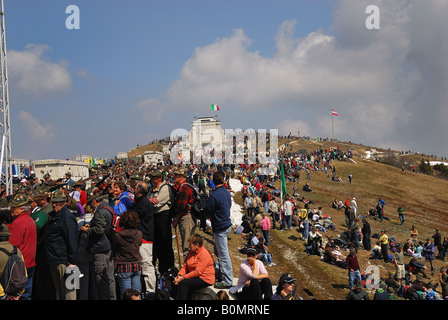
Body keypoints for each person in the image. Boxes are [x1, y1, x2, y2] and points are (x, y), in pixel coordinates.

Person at [44, 189, 79, 300]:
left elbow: (72, 239)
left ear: (63, 202)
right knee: (61, 291)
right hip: (55, 259)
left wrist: (72, 262)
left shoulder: (67, 217)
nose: (54, 204)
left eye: (57, 202)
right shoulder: (56, 215)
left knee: (70, 292)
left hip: (65, 261)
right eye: (53, 202)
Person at [81, 194, 116, 300]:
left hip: (100, 247)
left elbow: (100, 230)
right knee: (110, 277)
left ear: (94, 202)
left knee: (101, 278)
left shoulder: (100, 212)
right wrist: (92, 226)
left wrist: (88, 230)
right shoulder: (108, 208)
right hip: (107, 246)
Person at [203, 171, 233, 290]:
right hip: (226, 224)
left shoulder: (214, 195)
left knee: (223, 254)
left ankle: (227, 280)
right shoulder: (226, 192)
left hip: (220, 227)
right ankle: (221, 273)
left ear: (213, 181)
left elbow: (208, 209)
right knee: (219, 252)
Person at [8, 194, 37, 300]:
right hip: (29, 262)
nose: (11, 209)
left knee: (17, 294)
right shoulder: (29, 219)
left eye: (14, 207)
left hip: (19, 265)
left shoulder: (18, 223)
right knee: (26, 293)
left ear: (22, 208)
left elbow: (11, 245)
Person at [110, 210, 143, 299]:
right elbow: (139, 244)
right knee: (136, 294)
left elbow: (114, 249)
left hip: (124, 266)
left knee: (125, 294)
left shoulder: (118, 236)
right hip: (136, 265)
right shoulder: (139, 234)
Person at [172, 234, 215, 300]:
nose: (189, 246)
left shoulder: (204, 254)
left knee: (183, 284)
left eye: (190, 244)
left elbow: (198, 272)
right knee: (177, 283)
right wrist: (179, 275)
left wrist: (183, 277)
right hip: (195, 276)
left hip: (204, 279)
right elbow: (185, 266)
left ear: (197, 245)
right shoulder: (192, 252)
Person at [148, 170, 175, 275]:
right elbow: (149, 200)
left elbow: (157, 203)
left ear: (160, 178)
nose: (152, 179)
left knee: (165, 243)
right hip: (155, 217)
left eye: (154, 177)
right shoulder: (152, 188)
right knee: (157, 243)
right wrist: (150, 201)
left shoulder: (165, 188)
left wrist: (150, 201)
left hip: (163, 217)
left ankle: (167, 269)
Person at [131, 182, 156, 294]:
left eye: (135, 187)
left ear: (139, 190)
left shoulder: (144, 203)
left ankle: (151, 291)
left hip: (145, 237)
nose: (133, 189)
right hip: (140, 237)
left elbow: (135, 216)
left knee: (146, 265)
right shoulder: (140, 201)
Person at [171, 170, 196, 256]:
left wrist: (175, 219)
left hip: (186, 218)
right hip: (189, 217)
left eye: (176, 175)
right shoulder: (186, 186)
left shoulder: (184, 188)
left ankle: (188, 268)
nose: (173, 176)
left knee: (187, 247)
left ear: (181, 177)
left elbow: (181, 207)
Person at [0, 223, 27, 300]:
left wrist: (3, 296)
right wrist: (18, 294)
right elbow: (23, 273)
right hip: (14, 294)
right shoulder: (17, 251)